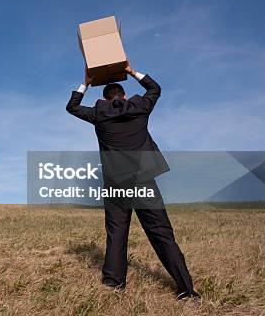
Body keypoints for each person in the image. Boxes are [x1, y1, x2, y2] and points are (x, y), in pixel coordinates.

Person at [65, 62, 199, 300]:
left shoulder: (99, 113)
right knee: (161, 233)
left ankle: (114, 284)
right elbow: (154, 88)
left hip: (117, 184)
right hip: (143, 181)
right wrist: (130, 70)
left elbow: (72, 107)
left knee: (117, 232)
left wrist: (85, 83)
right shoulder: (138, 107)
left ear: (106, 99)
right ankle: (186, 290)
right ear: (124, 95)